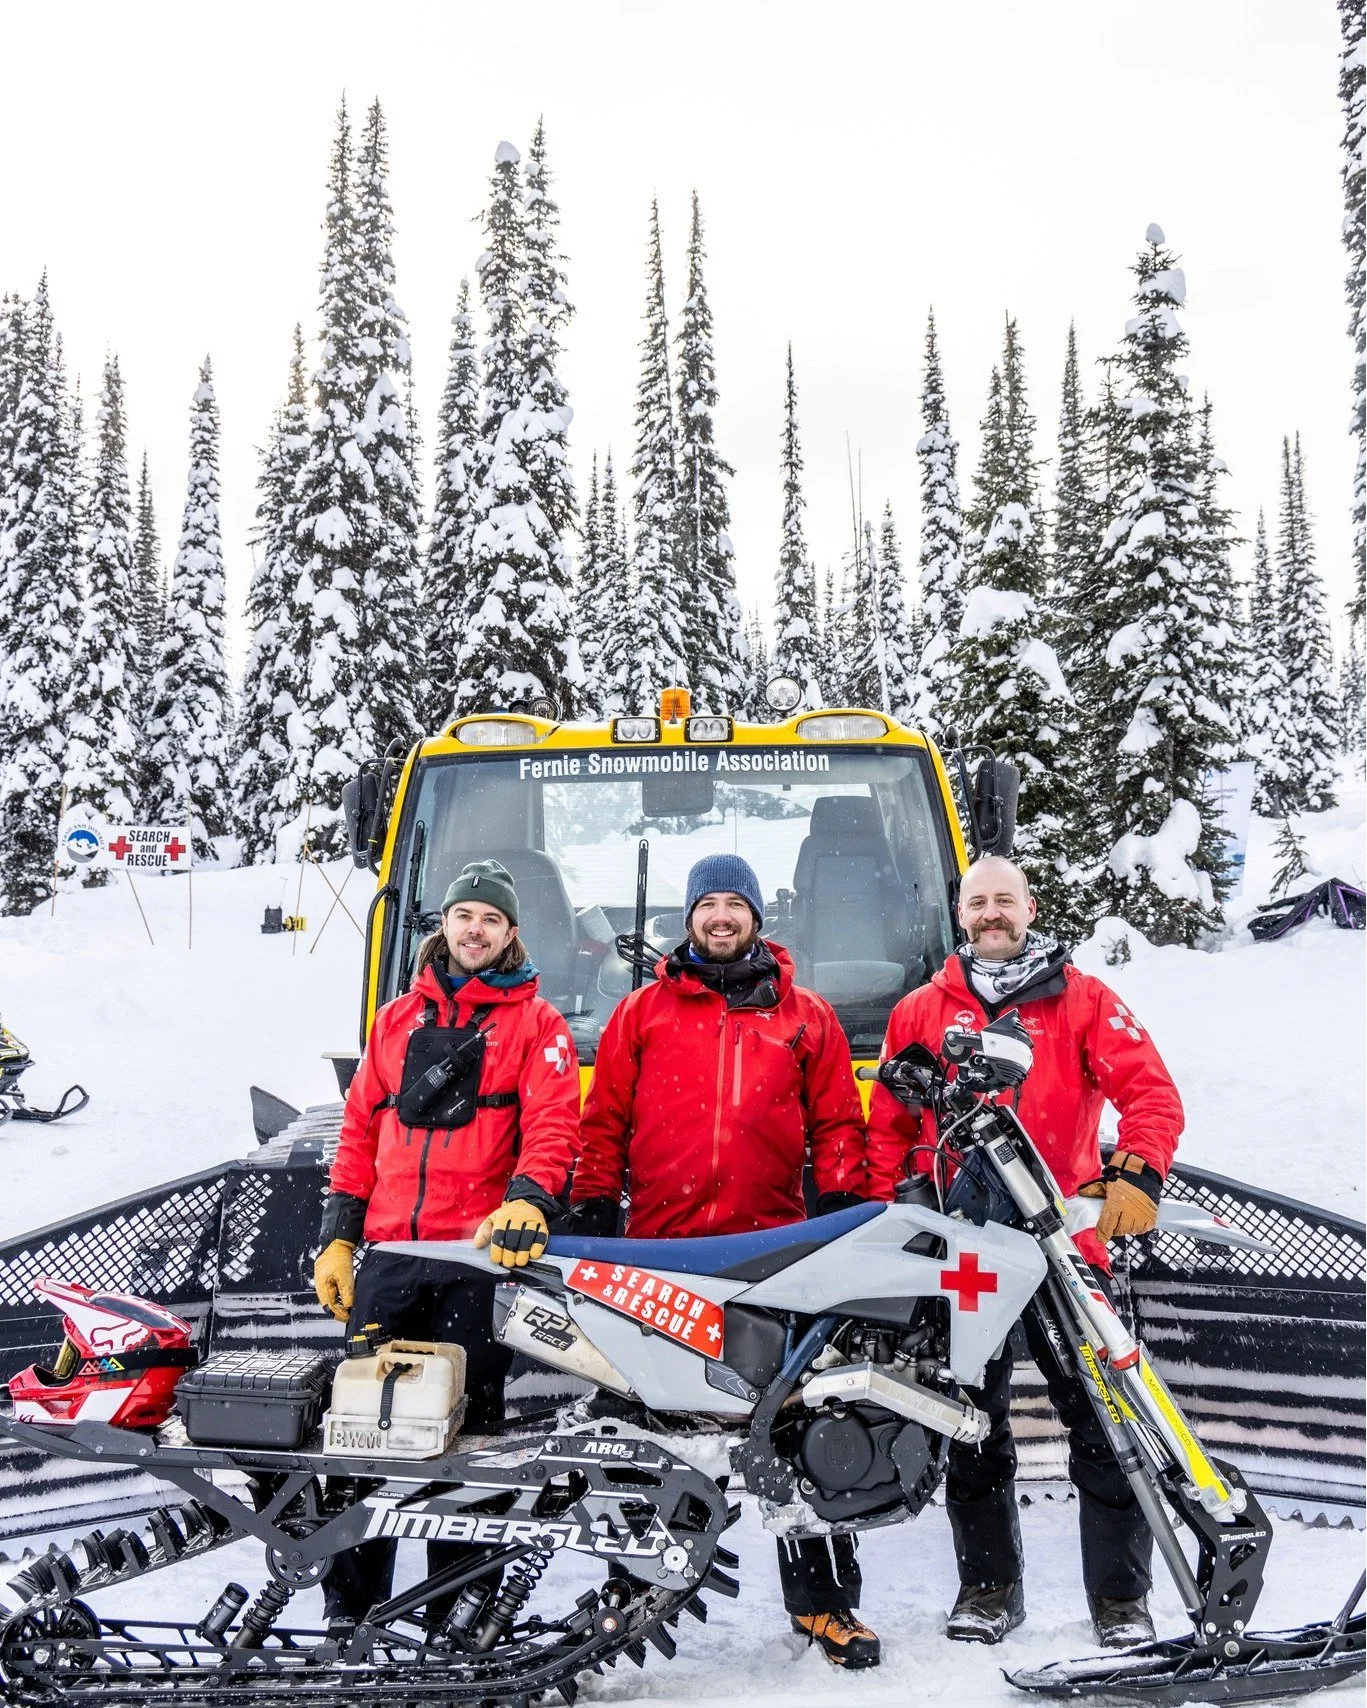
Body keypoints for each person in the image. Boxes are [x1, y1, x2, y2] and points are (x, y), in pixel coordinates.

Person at [570, 853, 881, 1671]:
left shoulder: (804, 1017)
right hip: (658, 1251)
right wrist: (597, 1205)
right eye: (706, 904)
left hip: (769, 1253)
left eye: (731, 904)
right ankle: (627, 1596)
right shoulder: (642, 1013)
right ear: (689, 918)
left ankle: (823, 1604)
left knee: (796, 1425)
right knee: (636, 1430)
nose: (719, 917)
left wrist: (843, 1207)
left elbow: (839, 1126)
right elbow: (602, 1124)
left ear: (753, 917)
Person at [866, 854, 1183, 1651]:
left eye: (1004, 900)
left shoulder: (1080, 999)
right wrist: (894, 1209)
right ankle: (988, 1588)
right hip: (967, 1251)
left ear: (1029, 908)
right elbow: (887, 1126)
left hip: (1064, 1249)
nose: (991, 914)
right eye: (978, 903)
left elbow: (1150, 1092)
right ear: (960, 913)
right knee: (973, 1423)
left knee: (1106, 1422)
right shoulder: (920, 1009)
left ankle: (1119, 1599)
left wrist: (1135, 1174)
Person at [313, 858, 579, 1631]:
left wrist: (528, 1200)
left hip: (477, 1261)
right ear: (445, 926)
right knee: (364, 1429)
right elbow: (360, 1130)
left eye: (490, 920)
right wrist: (339, 1239)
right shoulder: (396, 1019)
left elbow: (554, 1127)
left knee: (472, 1437)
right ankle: (350, 1608)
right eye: (465, 915)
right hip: (392, 1255)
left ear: (510, 935)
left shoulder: (539, 1025)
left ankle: (455, 1608)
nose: (474, 930)